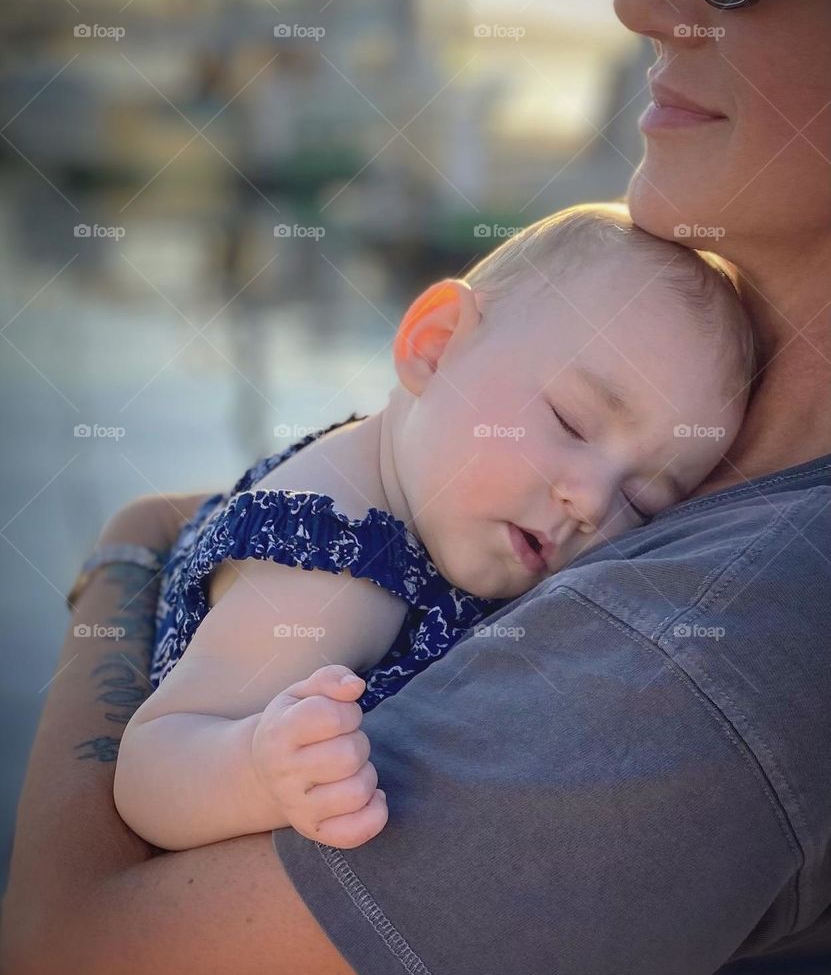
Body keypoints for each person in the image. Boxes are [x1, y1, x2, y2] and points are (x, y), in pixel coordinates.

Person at [3, 0, 831, 975]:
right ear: (432, 342)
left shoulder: (717, 659)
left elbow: (65, 966)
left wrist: (127, 549)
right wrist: (250, 751)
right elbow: (165, 760)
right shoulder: (342, 561)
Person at [112, 204, 754, 853]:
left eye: (641, 501)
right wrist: (262, 772)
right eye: (572, 422)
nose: (590, 502)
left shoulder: (405, 469)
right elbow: (150, 767)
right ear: (436, 345)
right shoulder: (331, 574)